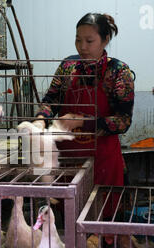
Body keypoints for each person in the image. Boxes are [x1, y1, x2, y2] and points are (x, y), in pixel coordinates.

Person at [34, 13, 135, 219]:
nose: (82, 47)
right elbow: (51, 100)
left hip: (103, 163)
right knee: (70, 221)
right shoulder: (67, 68)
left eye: (89, 41)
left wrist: (82, 121)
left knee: (102, 221)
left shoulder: (118, 73)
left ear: (105, 40)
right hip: (68, 164)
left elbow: (123, 121)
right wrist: (40, 119)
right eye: (78, 40)